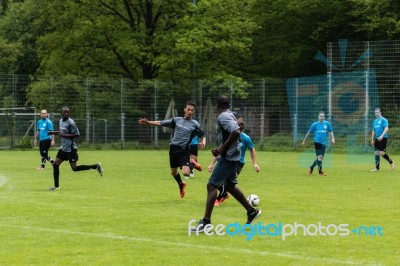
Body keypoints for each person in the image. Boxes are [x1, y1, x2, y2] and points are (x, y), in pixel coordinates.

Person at [191, 96, 261, 232]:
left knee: (211, 185)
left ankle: (206, 222)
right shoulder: (230, 114)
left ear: (218, 106)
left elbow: (235, 131)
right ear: (228, 105)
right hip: (233, 156)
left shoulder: (223, 116)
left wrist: (222, 148)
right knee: (229, 185)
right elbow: (235, 131)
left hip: (228, 158)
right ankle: (251, 211)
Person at [138, 101, 206, 198]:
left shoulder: (194, 124)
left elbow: (202, 134)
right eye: (188, 109)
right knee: (173, 172)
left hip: (184, 150)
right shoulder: (176, 120)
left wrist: (203, 141)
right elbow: (161, 123)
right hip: (173, 149)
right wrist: (148, 122)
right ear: (184, 109)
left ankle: (192, 164)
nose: (190, 112)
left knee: (186, 173)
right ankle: (181, 185)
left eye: (192, 110)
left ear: (194, 111)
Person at [49, 106, 104, 190]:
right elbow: (63, 132)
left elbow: (77, 134)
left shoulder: (71, 122)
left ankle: (95, 166)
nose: (66, 113)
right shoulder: (60, 121)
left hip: (71, 149)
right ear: (61, 113)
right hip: (63, 148)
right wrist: (53, 132)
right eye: (65, 112)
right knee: (55, 164)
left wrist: (63, 135)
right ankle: (56, 186)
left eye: (68, 112)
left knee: (74, 168)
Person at [210, 118, 261, 206]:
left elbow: (252, 149)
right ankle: (225, 194)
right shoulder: (229, 137)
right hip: (225, 160)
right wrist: (212, 164)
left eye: (241, 130)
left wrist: (255, 163)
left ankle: (218, 199)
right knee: (216, 181)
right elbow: (220, 150)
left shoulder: (246, 138)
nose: (239, 131)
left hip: (238, 163)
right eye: (238, 129)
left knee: (228, 183)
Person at [302, 111, 335, 176]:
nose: (321, 117)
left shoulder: (327, 123)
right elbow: (308, 132)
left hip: (324, 143)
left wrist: (333, 138)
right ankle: (320, 172)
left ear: (324, 117)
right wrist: (304, 140)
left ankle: (311, 167)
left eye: (322, 116)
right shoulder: (314, 124)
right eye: (320, 116)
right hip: (317, 142)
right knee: (319, 157)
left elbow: (331, 131)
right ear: (318, 117)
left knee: (320, 157)